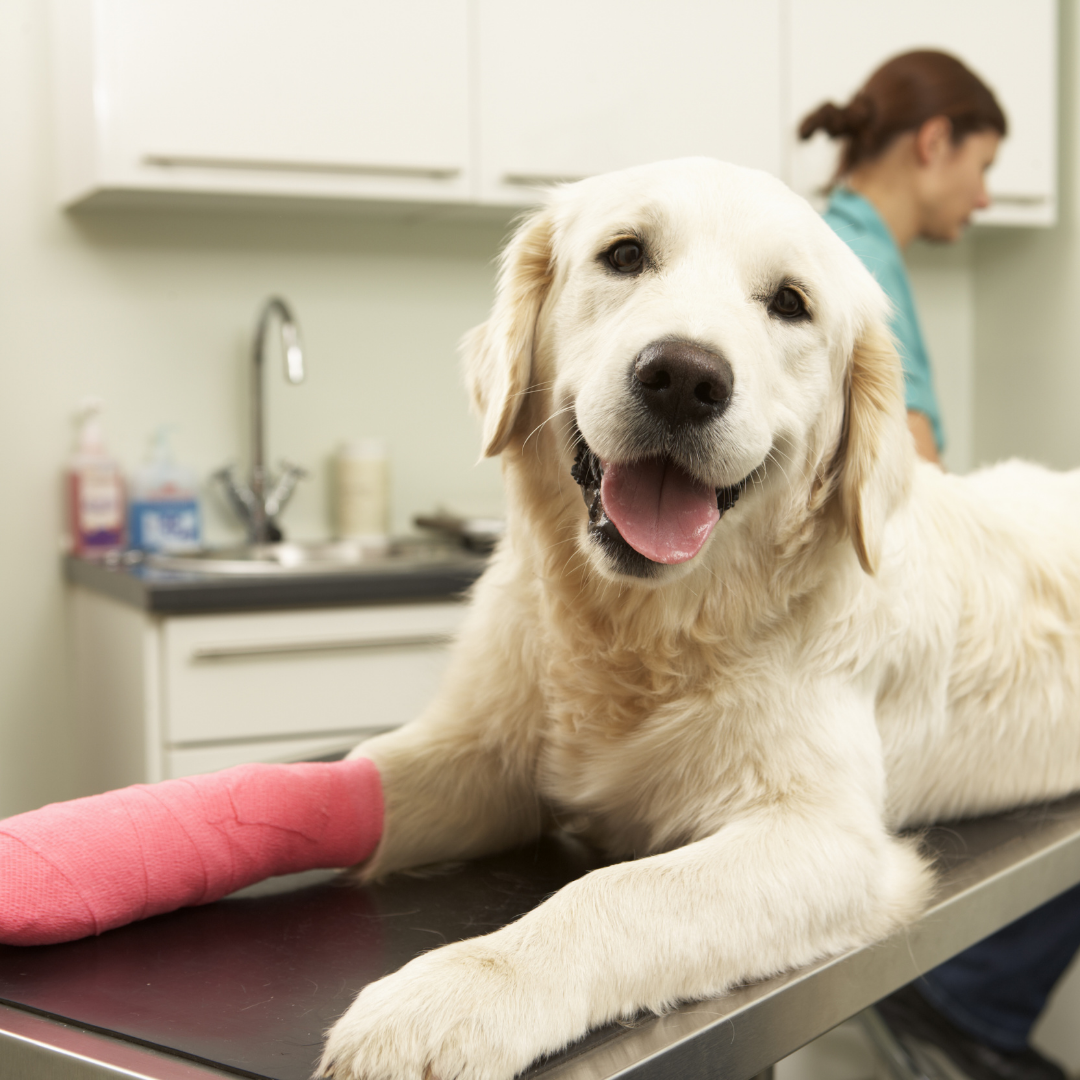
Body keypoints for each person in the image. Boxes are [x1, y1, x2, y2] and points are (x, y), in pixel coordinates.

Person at [800, 50, 1080, 1080]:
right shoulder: (850, 259)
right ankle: (969, 995)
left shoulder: (839, 242)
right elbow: (902, 482)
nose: (987, 189)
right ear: (934, 144)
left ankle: (974, 995)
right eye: (983, 162)